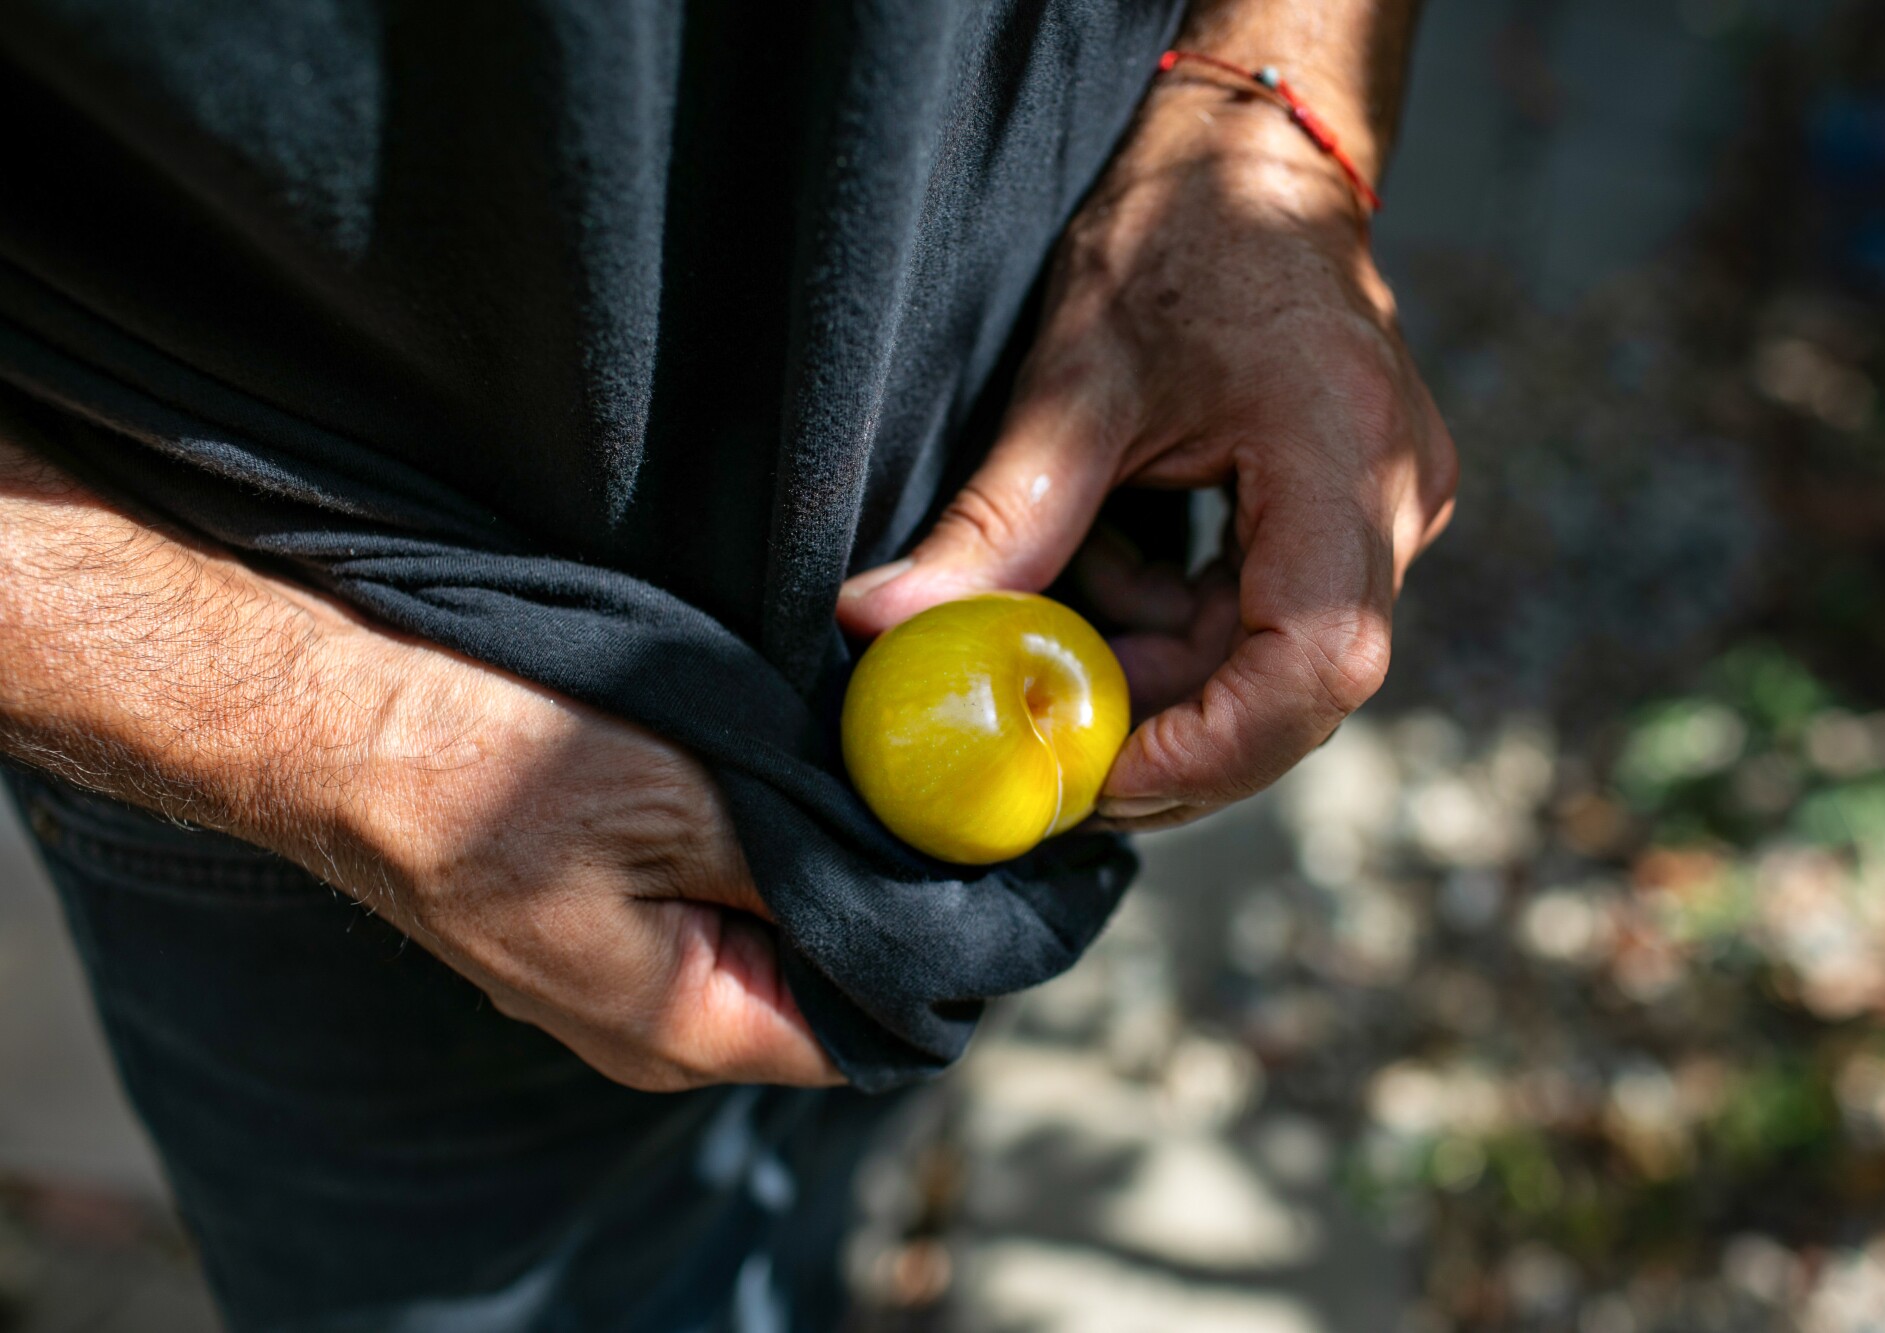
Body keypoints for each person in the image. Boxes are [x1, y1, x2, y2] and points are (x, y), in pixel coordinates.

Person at [0, 0, 1455, 1326]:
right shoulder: (364, 744)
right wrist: (342, 736)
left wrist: (1275, 125)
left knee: (812, 1210)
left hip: (1056, 447)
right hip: (364, 699)